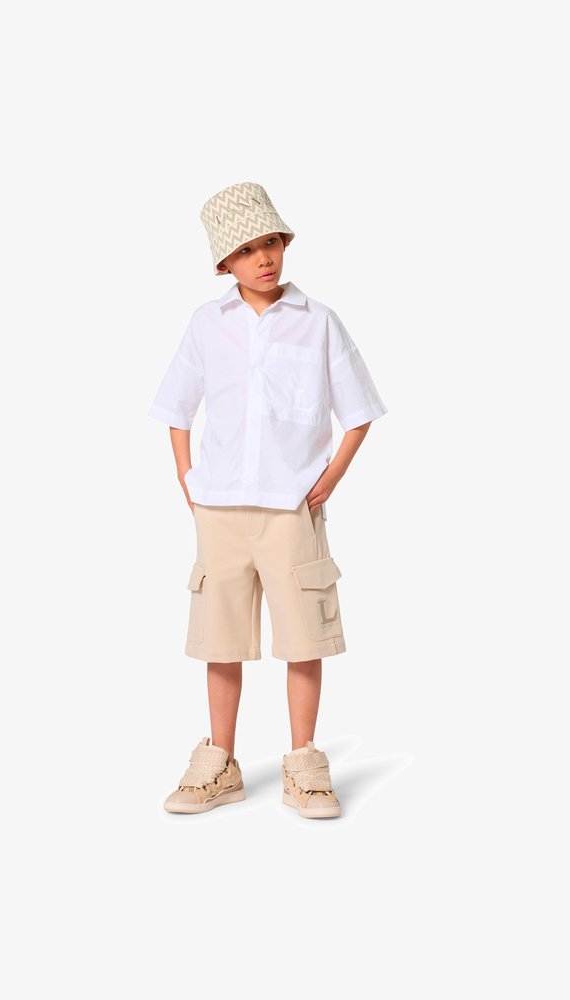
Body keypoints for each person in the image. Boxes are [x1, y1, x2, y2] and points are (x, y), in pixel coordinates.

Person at [147, 181, 388, 819]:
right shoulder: (207, 324)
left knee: (303, 637)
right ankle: (218, 763)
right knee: (219, 639)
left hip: (291, 510)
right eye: (248, 250)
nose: (264, 258)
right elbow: (176, 407)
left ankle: (304, 764)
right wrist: (187, 478)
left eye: (272, 243)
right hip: (219, 509)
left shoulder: (318, 322)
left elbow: (359, 411)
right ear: (224, 263)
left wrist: (329, 479)